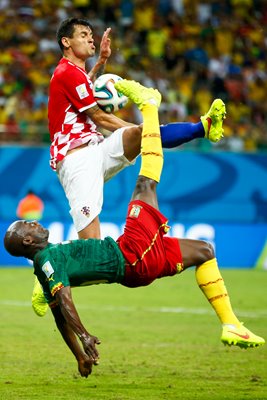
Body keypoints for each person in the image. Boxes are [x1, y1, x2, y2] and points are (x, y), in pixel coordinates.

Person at [4, 80, 264, 378]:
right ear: (27, 239)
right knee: (145, 183)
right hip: (130, 254)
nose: (35, 222)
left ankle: (231, 324)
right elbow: (64, 301)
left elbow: (59, 316)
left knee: (205, 251)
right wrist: (86, 335)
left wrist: (79, 355)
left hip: (137, 266)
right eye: (29, 225)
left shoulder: (48, 261)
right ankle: (149, 104)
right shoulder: (47, 262)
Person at [32, 16, 226, 316]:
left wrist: (102, 63)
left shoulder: (78, 73)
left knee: (137, 135)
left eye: (92, 34)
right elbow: (99, 117)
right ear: (65, 42)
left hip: (96, 149)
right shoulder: (64, 73)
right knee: (93, 251)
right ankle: (49, 275)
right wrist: (146, 129)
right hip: (76, 162)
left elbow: (85, 91)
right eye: (83, 34)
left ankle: (204, 126)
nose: (91, 39)